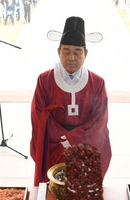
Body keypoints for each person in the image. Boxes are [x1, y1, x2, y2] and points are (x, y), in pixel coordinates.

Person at [30, 16, 111, 186]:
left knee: (84, 190)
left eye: (77, 52)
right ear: (58, 51)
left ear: (86, 53)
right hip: (54, 144)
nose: (71, 58)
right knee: (54, 187)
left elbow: (100, 120)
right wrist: (62, 138)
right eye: (66, 51)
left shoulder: (97, 82)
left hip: (86, 146)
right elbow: (38, 114)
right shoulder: (45, 80)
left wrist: (74, 140)